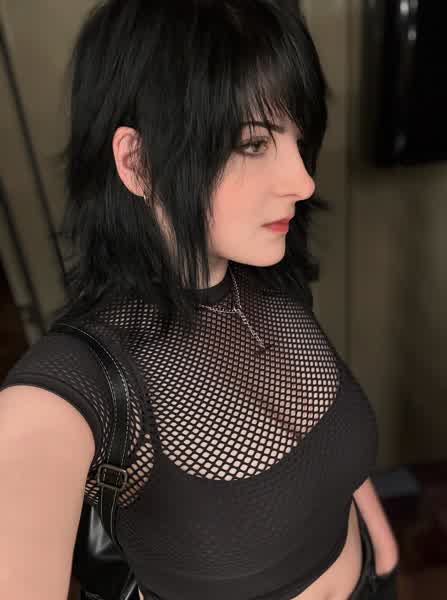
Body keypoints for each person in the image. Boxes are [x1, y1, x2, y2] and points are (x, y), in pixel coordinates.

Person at [0, 1, 399, 599]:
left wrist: (383, 551)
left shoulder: (270, 278)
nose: (302, 180)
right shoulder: (72, 386)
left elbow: (326, 450)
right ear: (138, 162)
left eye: (297, 138)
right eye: (253, 143)